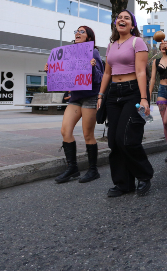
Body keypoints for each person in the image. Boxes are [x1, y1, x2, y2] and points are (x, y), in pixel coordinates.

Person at [97, 10, 154, 197]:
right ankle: (124, 183)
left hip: (133, 92)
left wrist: (144, 98)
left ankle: (144, 175)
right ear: (116, 23)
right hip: (113, 94)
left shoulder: (138, 42)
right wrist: (100, 96)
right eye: (119, 18)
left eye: (127, 18)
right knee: (113, 140)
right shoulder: (111, 45)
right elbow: (107, 73)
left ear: (132, 25)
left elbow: (141, 72)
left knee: (127, 138)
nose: (122, 20)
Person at [47, 26, 104, 184]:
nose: (78, 33)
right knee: (65, 130)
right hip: (75, 97)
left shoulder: (93, 53)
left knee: (87, 134)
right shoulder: (70, 53)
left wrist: (92, 67)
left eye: (82, 32)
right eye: (76, 31)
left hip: (90, 97)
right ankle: (72, 168)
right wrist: (51, 71)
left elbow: (99, 78)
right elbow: (66, 75)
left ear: (89, 38)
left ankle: (93, 170)